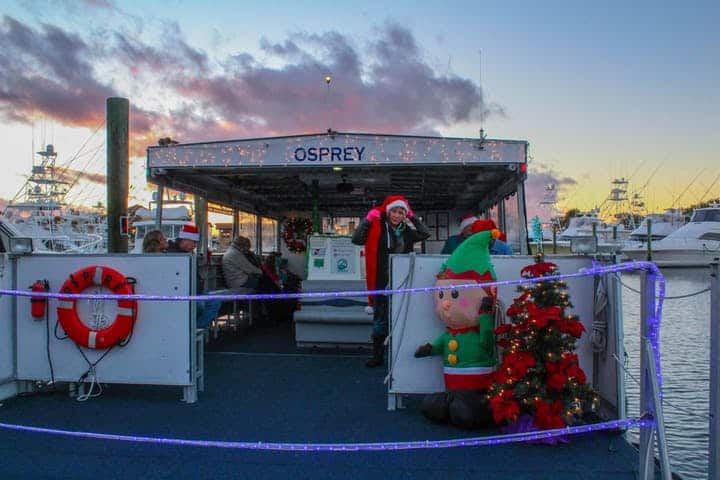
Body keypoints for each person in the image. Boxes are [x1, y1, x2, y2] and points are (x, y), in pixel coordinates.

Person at [352, 195, 431, 368]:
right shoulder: (376, 227)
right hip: (381, 281)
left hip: (402, 282)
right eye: (394, 211)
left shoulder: (406, 230)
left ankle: (400, 355)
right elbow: (356, 239)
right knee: (380, 320)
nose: (397, 215)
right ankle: (378, 356)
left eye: (401, 212)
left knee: (402, 318)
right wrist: (367, 220)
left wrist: (412, 217)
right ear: (388, 212)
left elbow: (426, 233)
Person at [166, 223, 221, 329]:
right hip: (185, 294)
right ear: (185, 240)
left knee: (215, 301)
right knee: (201, 305)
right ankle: (194, 328)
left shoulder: (188, 255)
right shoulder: (174, 255)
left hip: (195, 292)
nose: (195, 245)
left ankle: (196, 327)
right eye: (194, 242)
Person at [222, 236, 281, 325]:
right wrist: (261, 272)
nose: (247, 250)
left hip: (238, 281)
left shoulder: (233, 252)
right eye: (247, 247)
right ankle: (274, 310)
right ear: (242, 246)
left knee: (266, 283)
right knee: (266, 283)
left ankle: (271, 312)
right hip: (240, 282)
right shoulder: (235, 254)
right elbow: (250, 269)